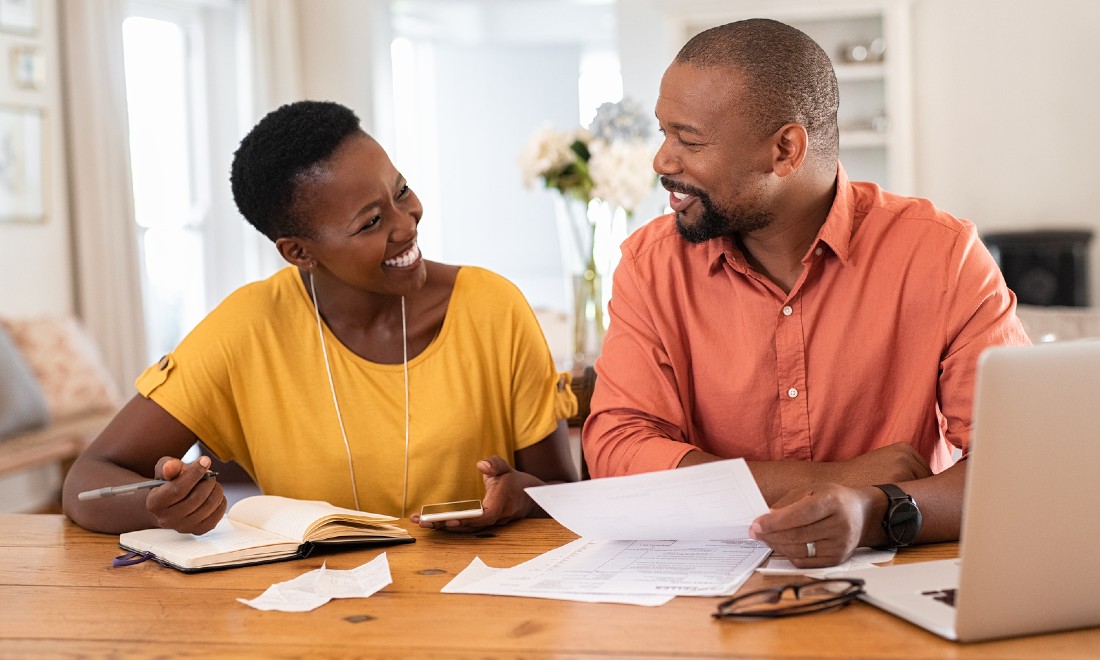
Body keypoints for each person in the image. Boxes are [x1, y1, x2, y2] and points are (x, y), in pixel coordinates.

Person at [582, 19, 1030, 567]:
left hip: (896, 582)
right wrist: (831, 480)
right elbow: (617, 449)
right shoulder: (651, 266)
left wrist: (873, 511)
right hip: (701, 595)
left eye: (690, 141)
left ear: (787, 150)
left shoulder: (941, 255)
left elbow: (1018, 463)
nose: (662, 161)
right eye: (664, 133)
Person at [63, 100, 577, 535]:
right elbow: (86, 482)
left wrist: (519, 497)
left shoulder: (493, 307)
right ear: (299, 252)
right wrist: (161, 509)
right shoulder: (247, 328)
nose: (407, 223)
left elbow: (561, 493)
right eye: (372, 221)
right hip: (312, 614)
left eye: (400, 191)